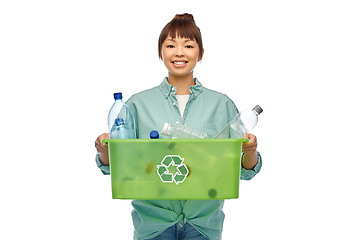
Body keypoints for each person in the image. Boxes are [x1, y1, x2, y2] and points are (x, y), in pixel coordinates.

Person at [94, 13, 262, 240]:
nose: (179, 52)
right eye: (171, 45)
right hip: (153, 226)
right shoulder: (137, 104)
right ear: (160, 52)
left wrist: (249, 152)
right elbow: (119, 167)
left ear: (200, 53)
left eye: (189, 45)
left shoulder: (220, 104)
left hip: (204, 226)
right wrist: (106, 151)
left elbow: (243, 170)